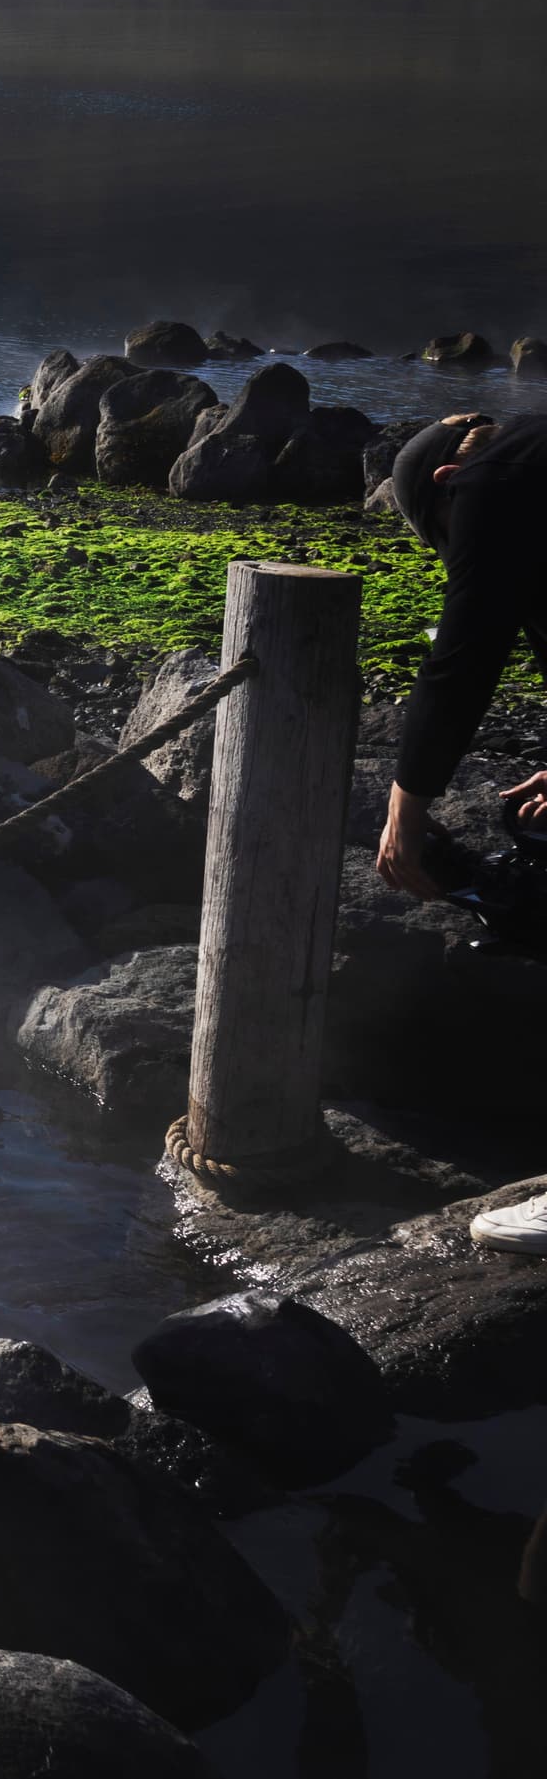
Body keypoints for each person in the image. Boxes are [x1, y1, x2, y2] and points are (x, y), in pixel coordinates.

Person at [365, 411, 547, 1257]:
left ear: (444, 484)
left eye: (442, 541)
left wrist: (405, 810)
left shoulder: (489, 482)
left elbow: (466, 654)